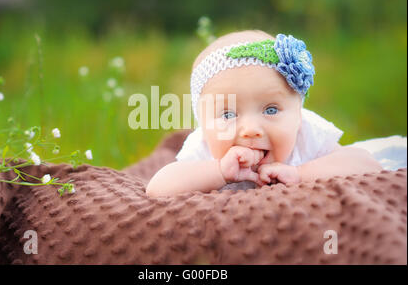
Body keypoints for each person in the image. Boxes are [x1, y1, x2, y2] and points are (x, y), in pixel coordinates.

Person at [146, 30, 406, 197]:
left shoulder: (305, 135)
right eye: (227, 114)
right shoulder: (206, 149)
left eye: (270, 109)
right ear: (203, 122)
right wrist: (219, 171)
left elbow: (365, 164)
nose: (250, 129)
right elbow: (158, 188)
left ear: (298, 114)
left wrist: (301, 173)